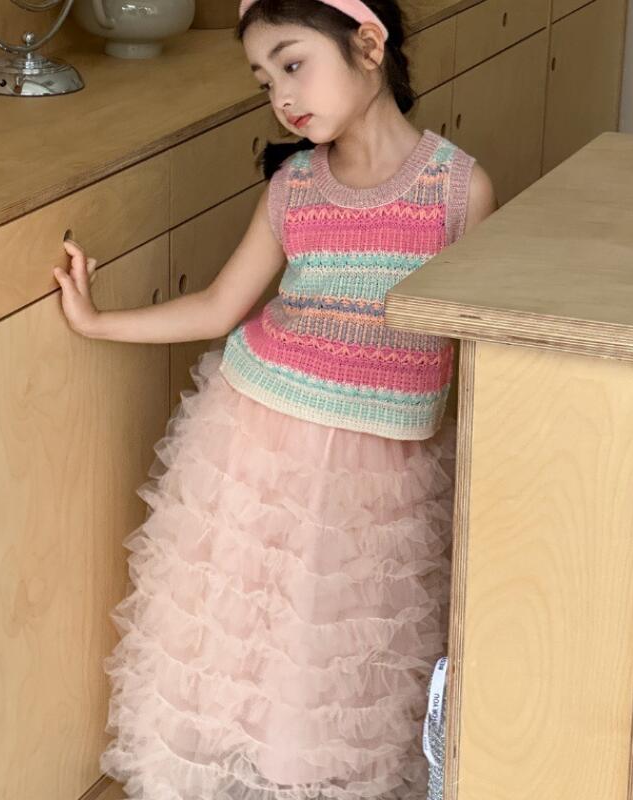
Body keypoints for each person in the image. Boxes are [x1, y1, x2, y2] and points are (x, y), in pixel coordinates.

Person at [53, 0, 498, 797]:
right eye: (264, 81)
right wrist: (96, 321)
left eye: (293, 65)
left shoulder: (458, 188)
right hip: (260, 444)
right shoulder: (294, 186)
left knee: (341, 659)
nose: (281, 97)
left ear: (368, 46)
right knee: (249, 650)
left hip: (383, 472)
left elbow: (481, 346)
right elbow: (219, 307)